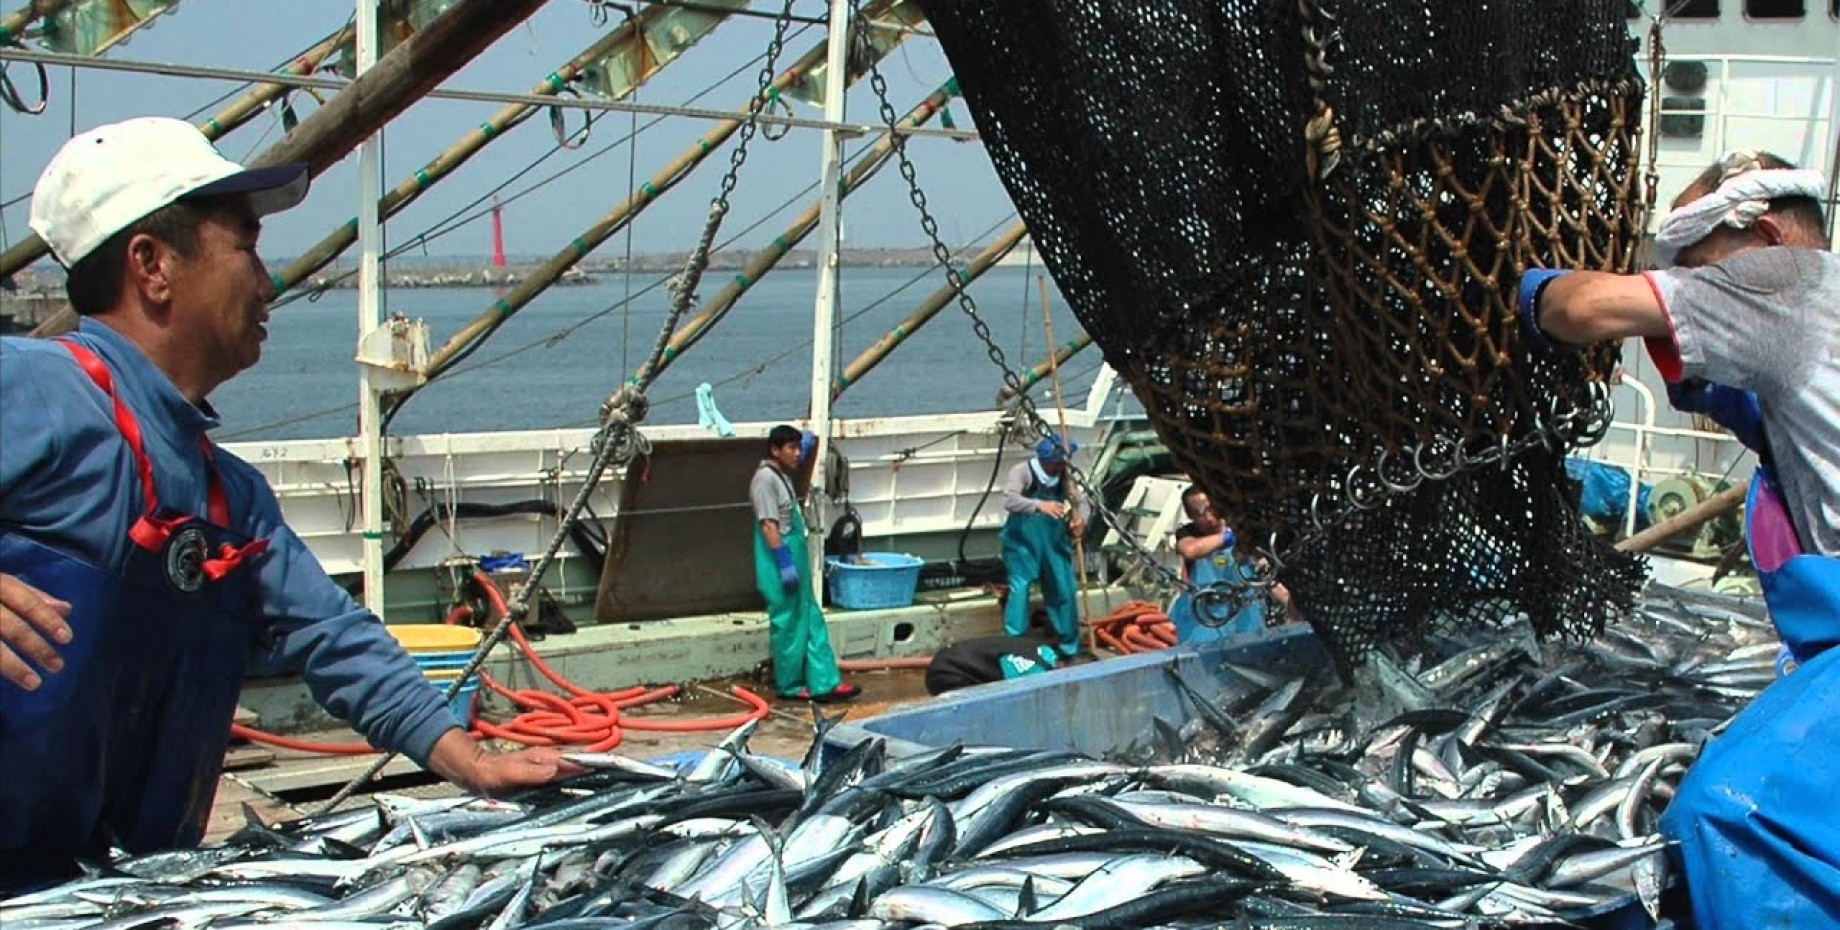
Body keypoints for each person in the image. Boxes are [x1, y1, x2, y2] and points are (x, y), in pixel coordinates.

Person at [0, 118, 575, 895]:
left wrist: (464, 756)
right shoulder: (39, 388)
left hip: (125, 891)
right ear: (153, 265)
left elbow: (333, 636)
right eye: (246, 246)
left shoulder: (231, 495)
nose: (270, 283)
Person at [1520, 149, 1840, 927]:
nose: (1700, 290)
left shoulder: (1788, 278)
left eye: (1703, 270)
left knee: (1728, 812)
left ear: (1765, 234)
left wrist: (1519, 287)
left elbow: (1585, 311)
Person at [749, 425, 861, 703]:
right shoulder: (764, 480)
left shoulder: (781, 475)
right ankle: (790, 684)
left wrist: (807, 442)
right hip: (779, 557)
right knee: (789, 623)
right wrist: (784, 563)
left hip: (795, 552)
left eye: (800, 448)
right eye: (792, 448)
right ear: (775, 450)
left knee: (811, 618)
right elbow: (769, 526)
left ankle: (825, 681)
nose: (798, 454)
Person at [1000, 435, 1091, 658]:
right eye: (1058, 462)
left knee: (1063, 588)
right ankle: (1015, 643)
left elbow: (1082, 502)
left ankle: (1069, 644)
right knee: (1020, 588)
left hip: (1054, 542)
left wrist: (1081, 521)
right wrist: (1039, 505)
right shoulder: (1022, 472)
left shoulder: (1067, 477)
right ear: (1046, 460)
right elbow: (1010, 500)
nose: (1062, 466)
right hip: (1022, 542)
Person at [1167, 485, 1297, 643]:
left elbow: (1266, 577)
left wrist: (1290, 606)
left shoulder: (1244, 533)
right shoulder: (1188, 534)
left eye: (1210, 509)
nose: (1208, 518)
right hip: (1203, 622)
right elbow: (1190, 550)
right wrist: (1231, 537)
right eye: (1199, 513)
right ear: (1190, 515)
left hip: (1245, 620)